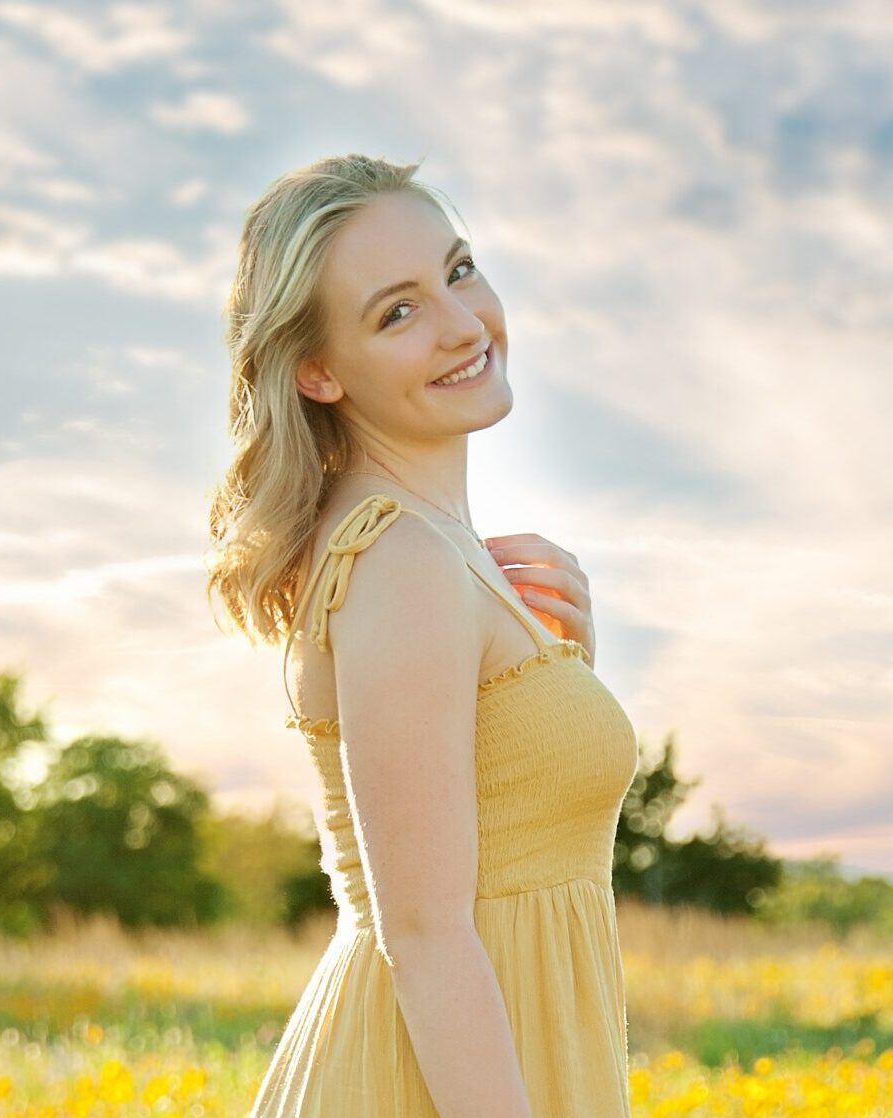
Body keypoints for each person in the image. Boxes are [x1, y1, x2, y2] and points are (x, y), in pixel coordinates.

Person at [206, 153, 638, 1116]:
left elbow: (507, 836)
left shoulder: (436, 552)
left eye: (458, 270)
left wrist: (565, 672)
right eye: (396, 312)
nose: (462, 323)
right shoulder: (400, 561)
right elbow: (427, 932)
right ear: (317, 371)